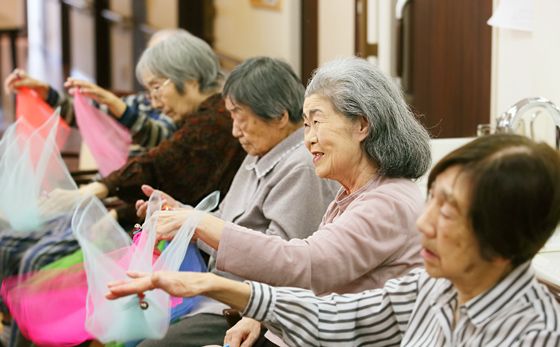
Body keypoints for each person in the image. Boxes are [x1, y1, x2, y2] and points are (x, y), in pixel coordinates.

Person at [108, 134, 560, 346]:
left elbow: (306, 265)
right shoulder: (437, 286)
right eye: (433, 201)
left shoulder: (532, 334)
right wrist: (212, 286)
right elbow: (335, 315)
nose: (425, 224)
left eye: (449, 212)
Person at [140, 56, 432, 346]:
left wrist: (200, 225)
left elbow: (309, 265)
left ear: (361, 126)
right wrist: (258, 316)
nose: (309, 139)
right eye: (306, 125)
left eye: (317, 122)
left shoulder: (387, 202)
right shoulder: (352, 193)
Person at [0, 32, 246, 346]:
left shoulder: (212, 119)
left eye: (158, 87)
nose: (153, 100)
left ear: (191, 78)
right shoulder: (193, 114)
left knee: (43, 275)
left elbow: (159, 159)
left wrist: (94, 192)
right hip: (140, 223)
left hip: (166, 244)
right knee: (29, 264)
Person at [128, 56, 340, 347]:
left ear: (279, 116)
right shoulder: (259, 153)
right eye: (232, 116)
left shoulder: (302, 167)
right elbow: (225, 219)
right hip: (212, 287)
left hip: (243, 304)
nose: (235, 130)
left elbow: (283, 262)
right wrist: (180, 212)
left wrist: (194, 225)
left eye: (240, 117)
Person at [3, 28, 188, 152]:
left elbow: (160, 137)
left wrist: (114, 103)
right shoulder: (141, 101)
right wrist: (45, 92)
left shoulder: (180, 109)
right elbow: (89, 116)